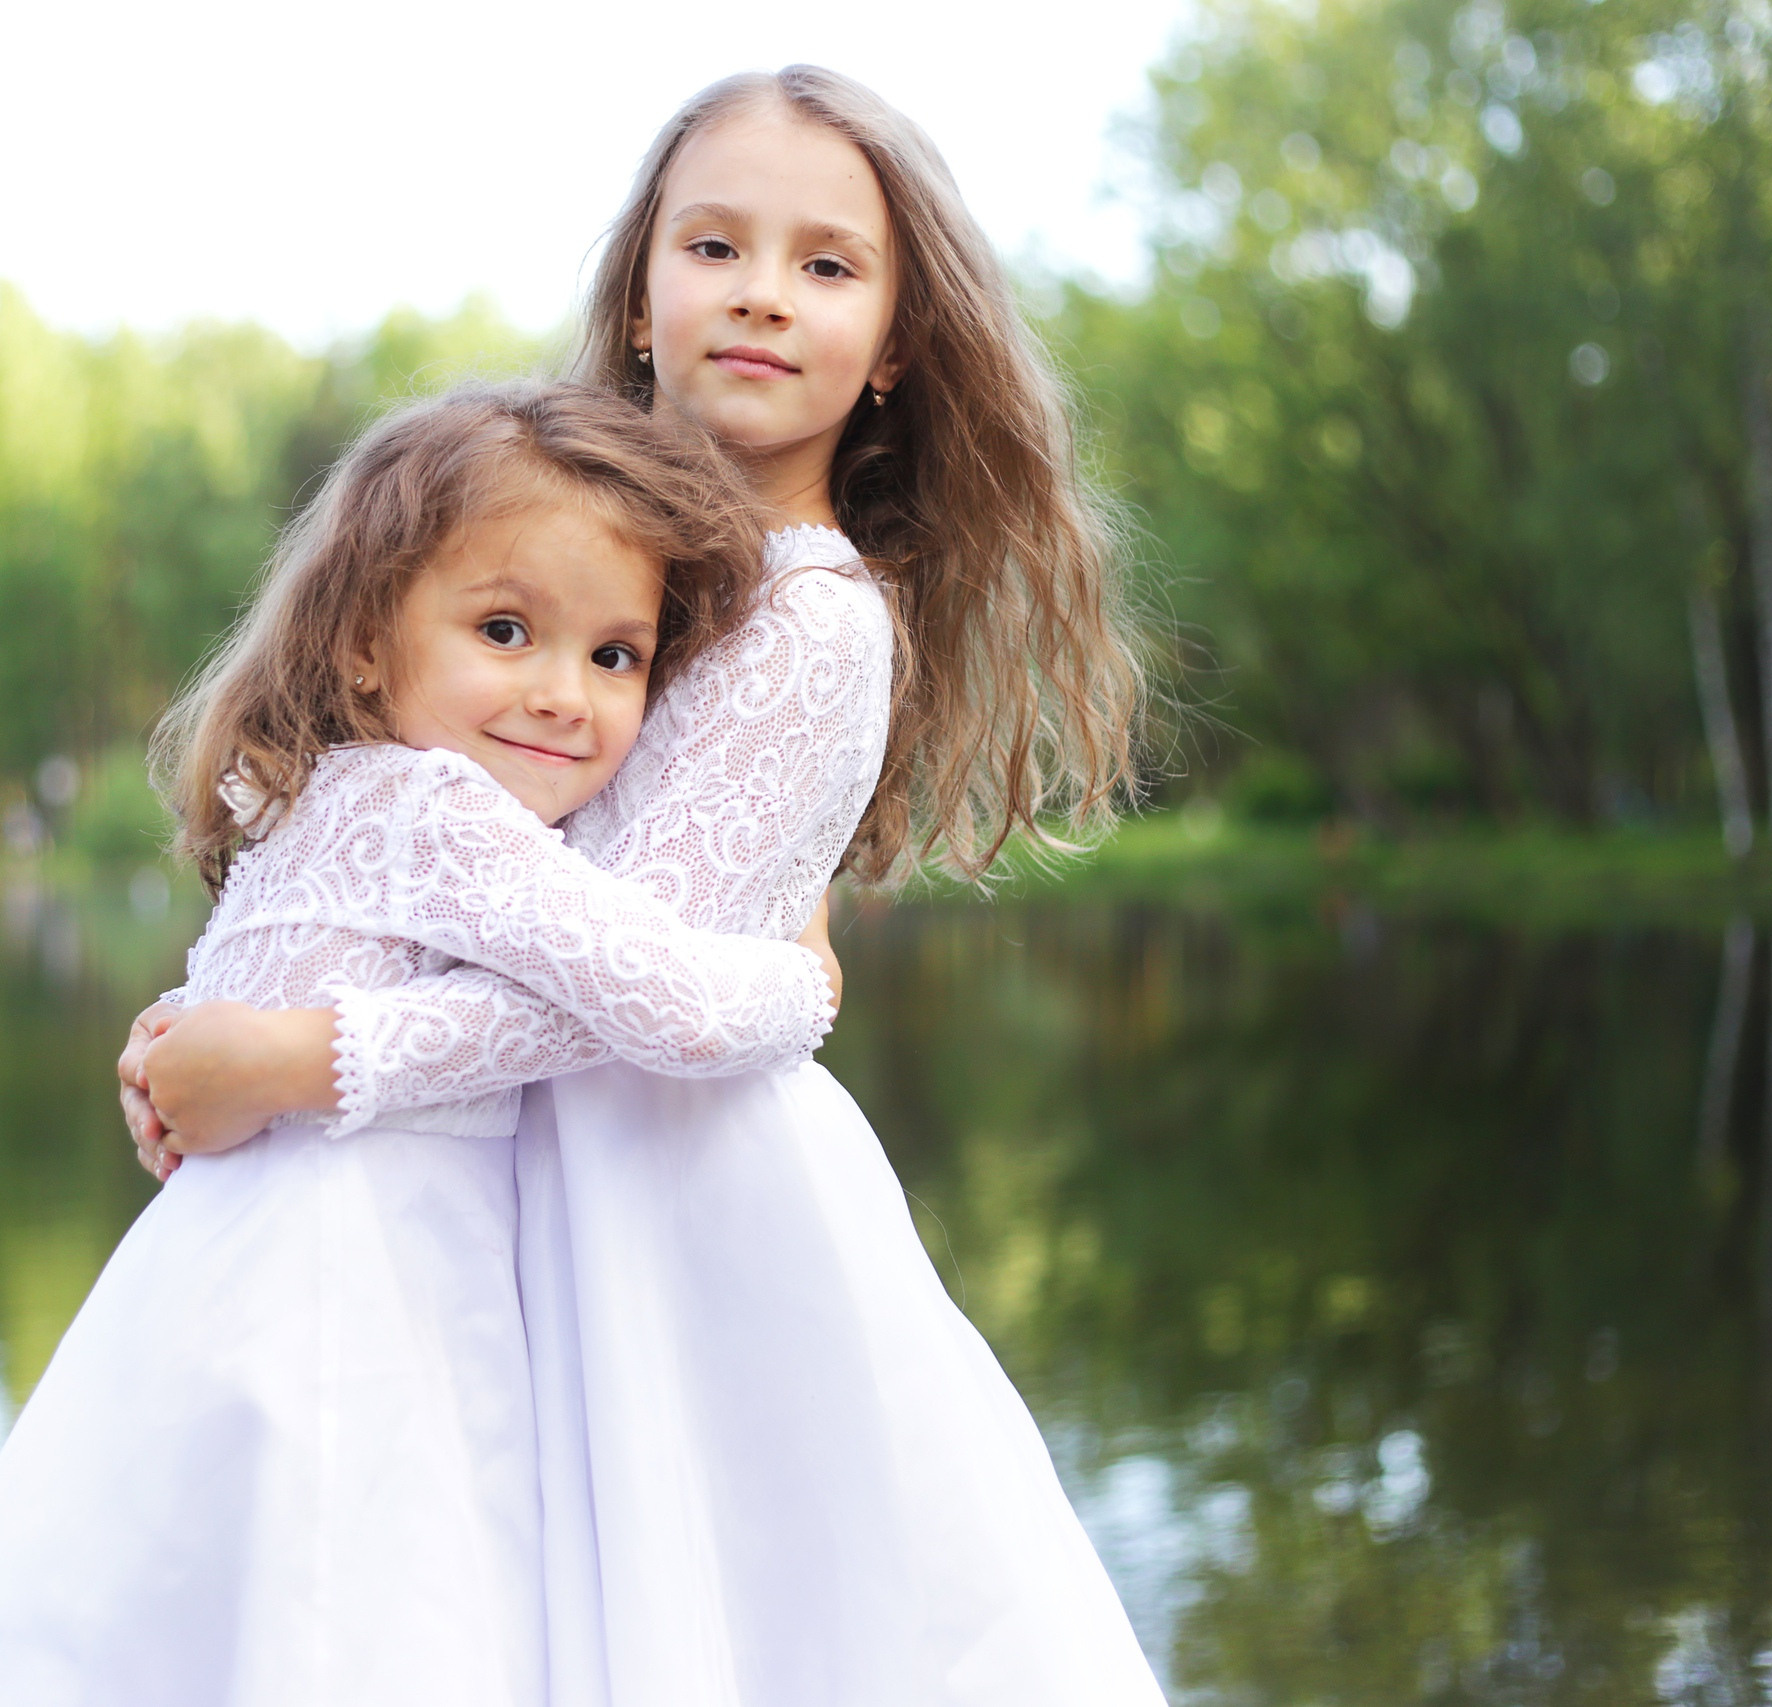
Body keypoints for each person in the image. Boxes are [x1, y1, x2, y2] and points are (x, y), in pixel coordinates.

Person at [124, 65, 1168, 1707]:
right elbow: (419, 848)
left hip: (669, 1183)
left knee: (707, 1620)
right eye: (714, 246)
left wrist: (294, 1059)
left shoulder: (814, 620)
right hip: (522, 1162)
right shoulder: (595, 571)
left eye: (827, 266)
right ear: (639, 299)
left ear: (892, 343)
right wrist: (227, 1001)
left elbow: (606, 995)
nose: (762, 292)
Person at [0, 382, 842, 1707]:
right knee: (353, 1628)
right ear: (365, 647)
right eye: (506, 631)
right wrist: (805, 973)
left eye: (616, 656)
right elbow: (665, 1002)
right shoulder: (436, 811)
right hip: (358, 1298)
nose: (565, 695)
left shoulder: (320, 794)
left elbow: (233, 1017)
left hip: (231, 1277)